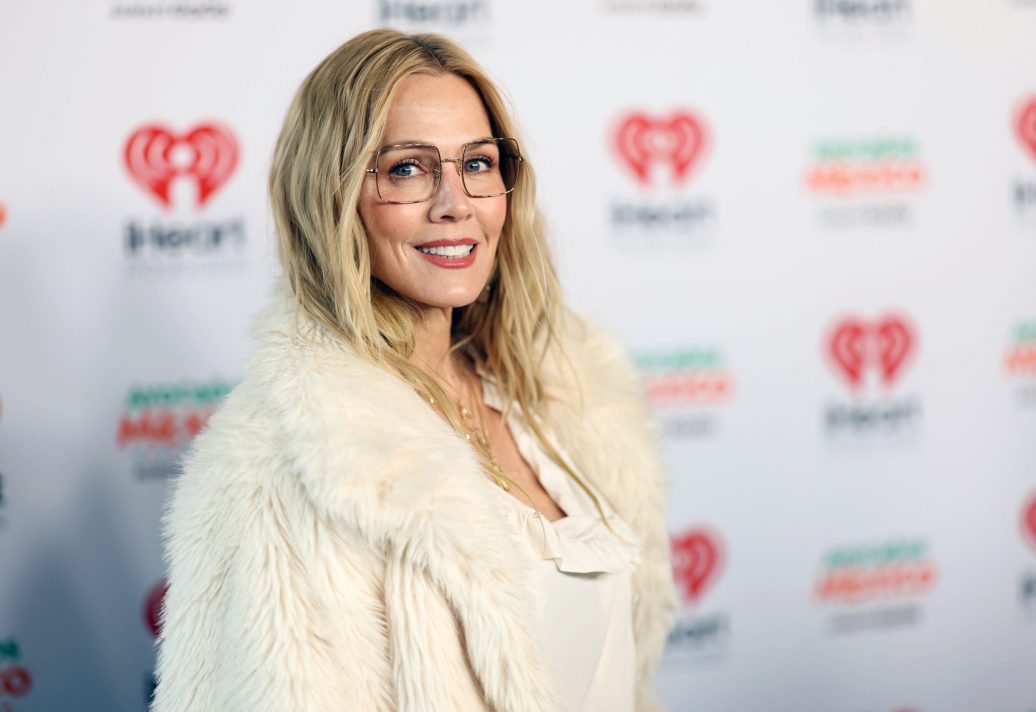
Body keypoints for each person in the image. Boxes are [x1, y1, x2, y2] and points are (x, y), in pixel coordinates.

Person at [151, 28, 677, 712]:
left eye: (479, 164)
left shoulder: (559, 395)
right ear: (331, 196)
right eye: (407, 169)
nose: (455, 203)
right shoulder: (283, 469)